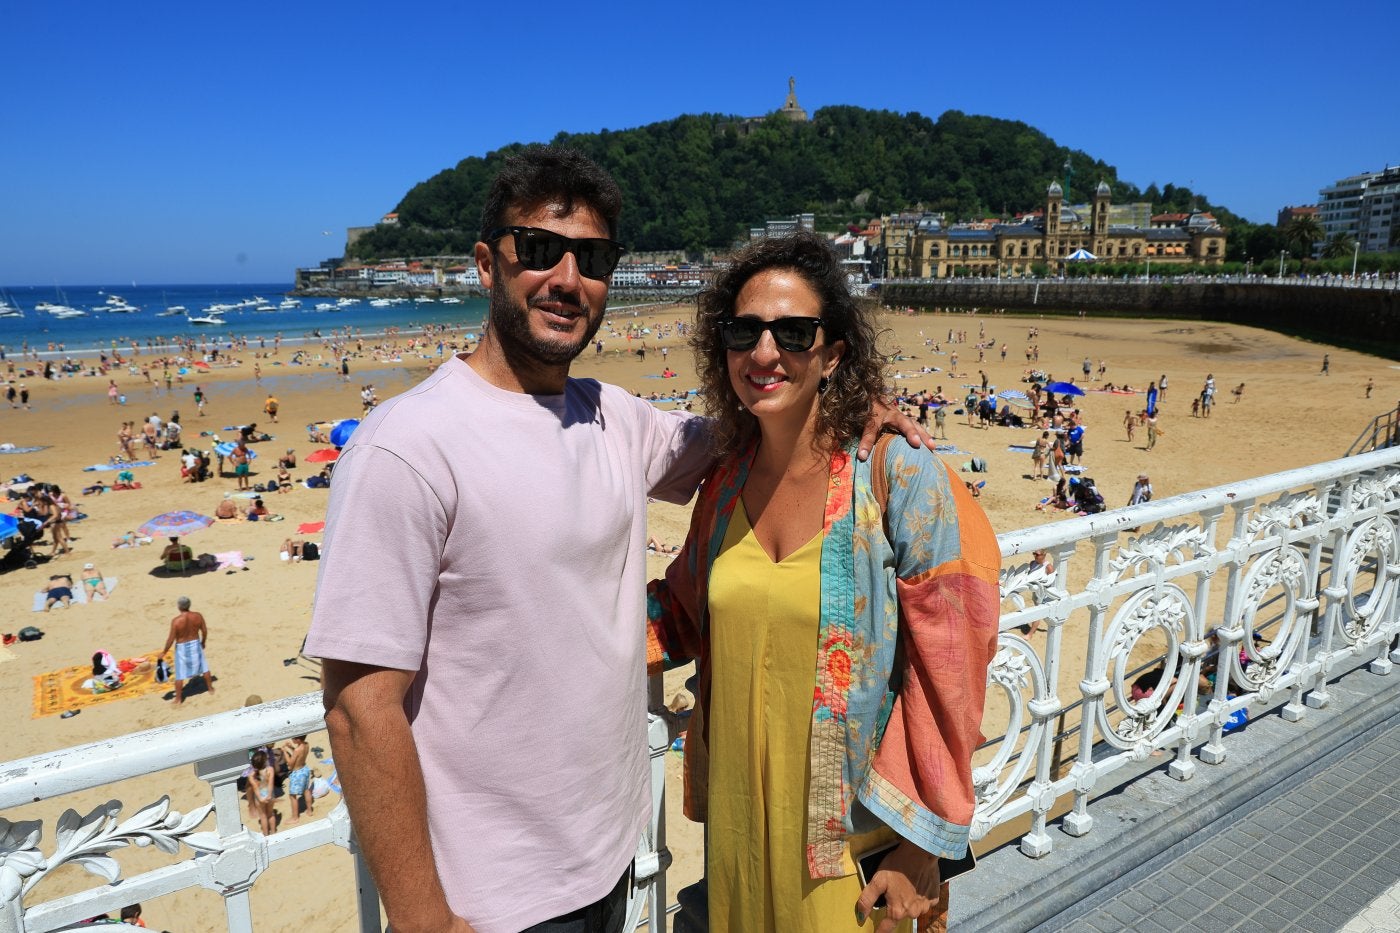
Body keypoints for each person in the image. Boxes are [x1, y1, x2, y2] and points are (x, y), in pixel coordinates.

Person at [305, 147, 929, 933]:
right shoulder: (407, 447)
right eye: (538, 250)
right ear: (484, 265)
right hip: (489, 897)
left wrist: (846, 401)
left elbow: (753, 433)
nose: (567, 278)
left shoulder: (613, 418)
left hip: (615, 856)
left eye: (592, 258)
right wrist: (425, 918)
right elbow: (359, 707)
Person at [646, 233, 999, 931]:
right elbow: (681, 613)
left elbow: (954, 665)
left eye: (794, 332)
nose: (765, 352)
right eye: (743, 331)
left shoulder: (894, 475)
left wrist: (922, 843)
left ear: (833, 352)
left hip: (856, 850)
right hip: (743, 835)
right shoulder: (724, 484)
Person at [161, 596, 213, 704]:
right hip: (195, 643)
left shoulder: (176, 621)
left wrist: (164, 652)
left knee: (180, 674)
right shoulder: (198, 616)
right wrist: (203, 642)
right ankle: (210, 689)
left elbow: (171, 639)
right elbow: (204, 631)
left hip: (182, 647)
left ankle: (178, 698)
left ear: (179, 607)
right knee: (204, 667)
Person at [282, 734, 314, 822]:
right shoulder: (306, 744)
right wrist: (291, 747)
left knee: (292, 796)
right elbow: (299, 755)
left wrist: (284, 752)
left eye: (293, 738)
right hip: (305, 769)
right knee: (306, 790)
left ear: (298, 740)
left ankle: (295, 818)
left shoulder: (297, 750)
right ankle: (309, 810)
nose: (292, 739)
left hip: (297, 774)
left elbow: (290, 765)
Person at [247, 749, 277, 835]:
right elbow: (271, 783)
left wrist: (260, 798)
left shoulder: (251, 776)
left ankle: (266, 834)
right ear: (265, 761)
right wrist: (269, 795)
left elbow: (256, 788)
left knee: (263, 817)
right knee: (271, 814)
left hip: (260, 797)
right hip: (270, 795)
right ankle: (274, 833)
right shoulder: (270, 770)